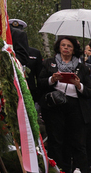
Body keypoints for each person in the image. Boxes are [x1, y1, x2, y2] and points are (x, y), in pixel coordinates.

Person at [38, 36, 91, 173]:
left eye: (69, 46)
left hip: (76, 107)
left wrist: (79, 85)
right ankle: (57, 169)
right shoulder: (49, 63)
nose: (66, 48)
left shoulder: (82, 68)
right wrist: (52, 79)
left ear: (74, 50)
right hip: (55, 105)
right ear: (59, 47)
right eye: (63, 45)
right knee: (56, 140)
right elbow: (40, 82)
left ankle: (80, 169)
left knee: (78, 142)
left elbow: (89, 91)